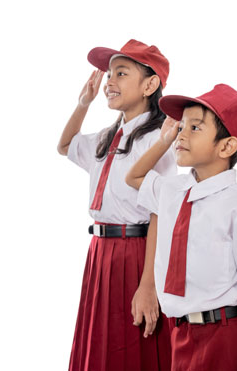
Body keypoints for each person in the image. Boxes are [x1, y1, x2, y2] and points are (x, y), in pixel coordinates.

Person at [125, 84, 237, 371]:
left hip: (226, 335)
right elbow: (133, 176)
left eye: (195, 127)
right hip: (182, 335)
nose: (181, 134)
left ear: (226, 146)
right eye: (181, 126)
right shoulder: (172, 189)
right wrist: (164, 140)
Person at [57, 39, 176, 371]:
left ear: (150, 84)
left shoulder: (158, 139)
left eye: (121, 73)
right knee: (100, 343)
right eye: (109, 74)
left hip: (136, 252)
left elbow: (159, 214)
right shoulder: (106, 137)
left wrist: (149, 285)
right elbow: (65, 145)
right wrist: (83, 102)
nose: (109, 82)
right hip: (100, 252)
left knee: (134, 345)